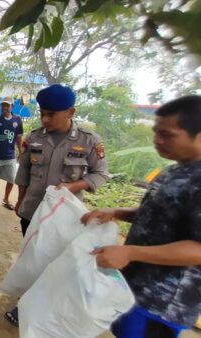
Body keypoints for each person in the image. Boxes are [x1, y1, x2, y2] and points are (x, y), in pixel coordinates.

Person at [81, 95, 201, 338]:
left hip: (162, 303)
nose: (156, 140)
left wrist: (131, 252)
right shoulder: (174, 170)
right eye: (156, 132)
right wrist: (115, 212)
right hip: (134, 287)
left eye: (166, 135)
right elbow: (156, 215)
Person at [5, 84, 110, 326]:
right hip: (33, 213)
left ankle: (49, 308)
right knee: (32, 258)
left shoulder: (89, 141)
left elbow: (101, 174)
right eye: (42, 112)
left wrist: (73, 187)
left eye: (51, 114)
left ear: (70, 112)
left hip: (65, 217)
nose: (44, 118)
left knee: (56, 262)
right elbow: (24, 172)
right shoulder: (33, 138)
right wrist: (20, 201)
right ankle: (27, 304)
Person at [0, 97, 24, 210]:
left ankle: (6, 199)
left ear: (12, 107)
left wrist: (21, 152)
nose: (5, 108)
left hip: (10, 156)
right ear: (0, 107)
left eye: (7, 105)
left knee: (11, 179)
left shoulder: (17, 120)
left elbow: (19, 137)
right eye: (3, 105)